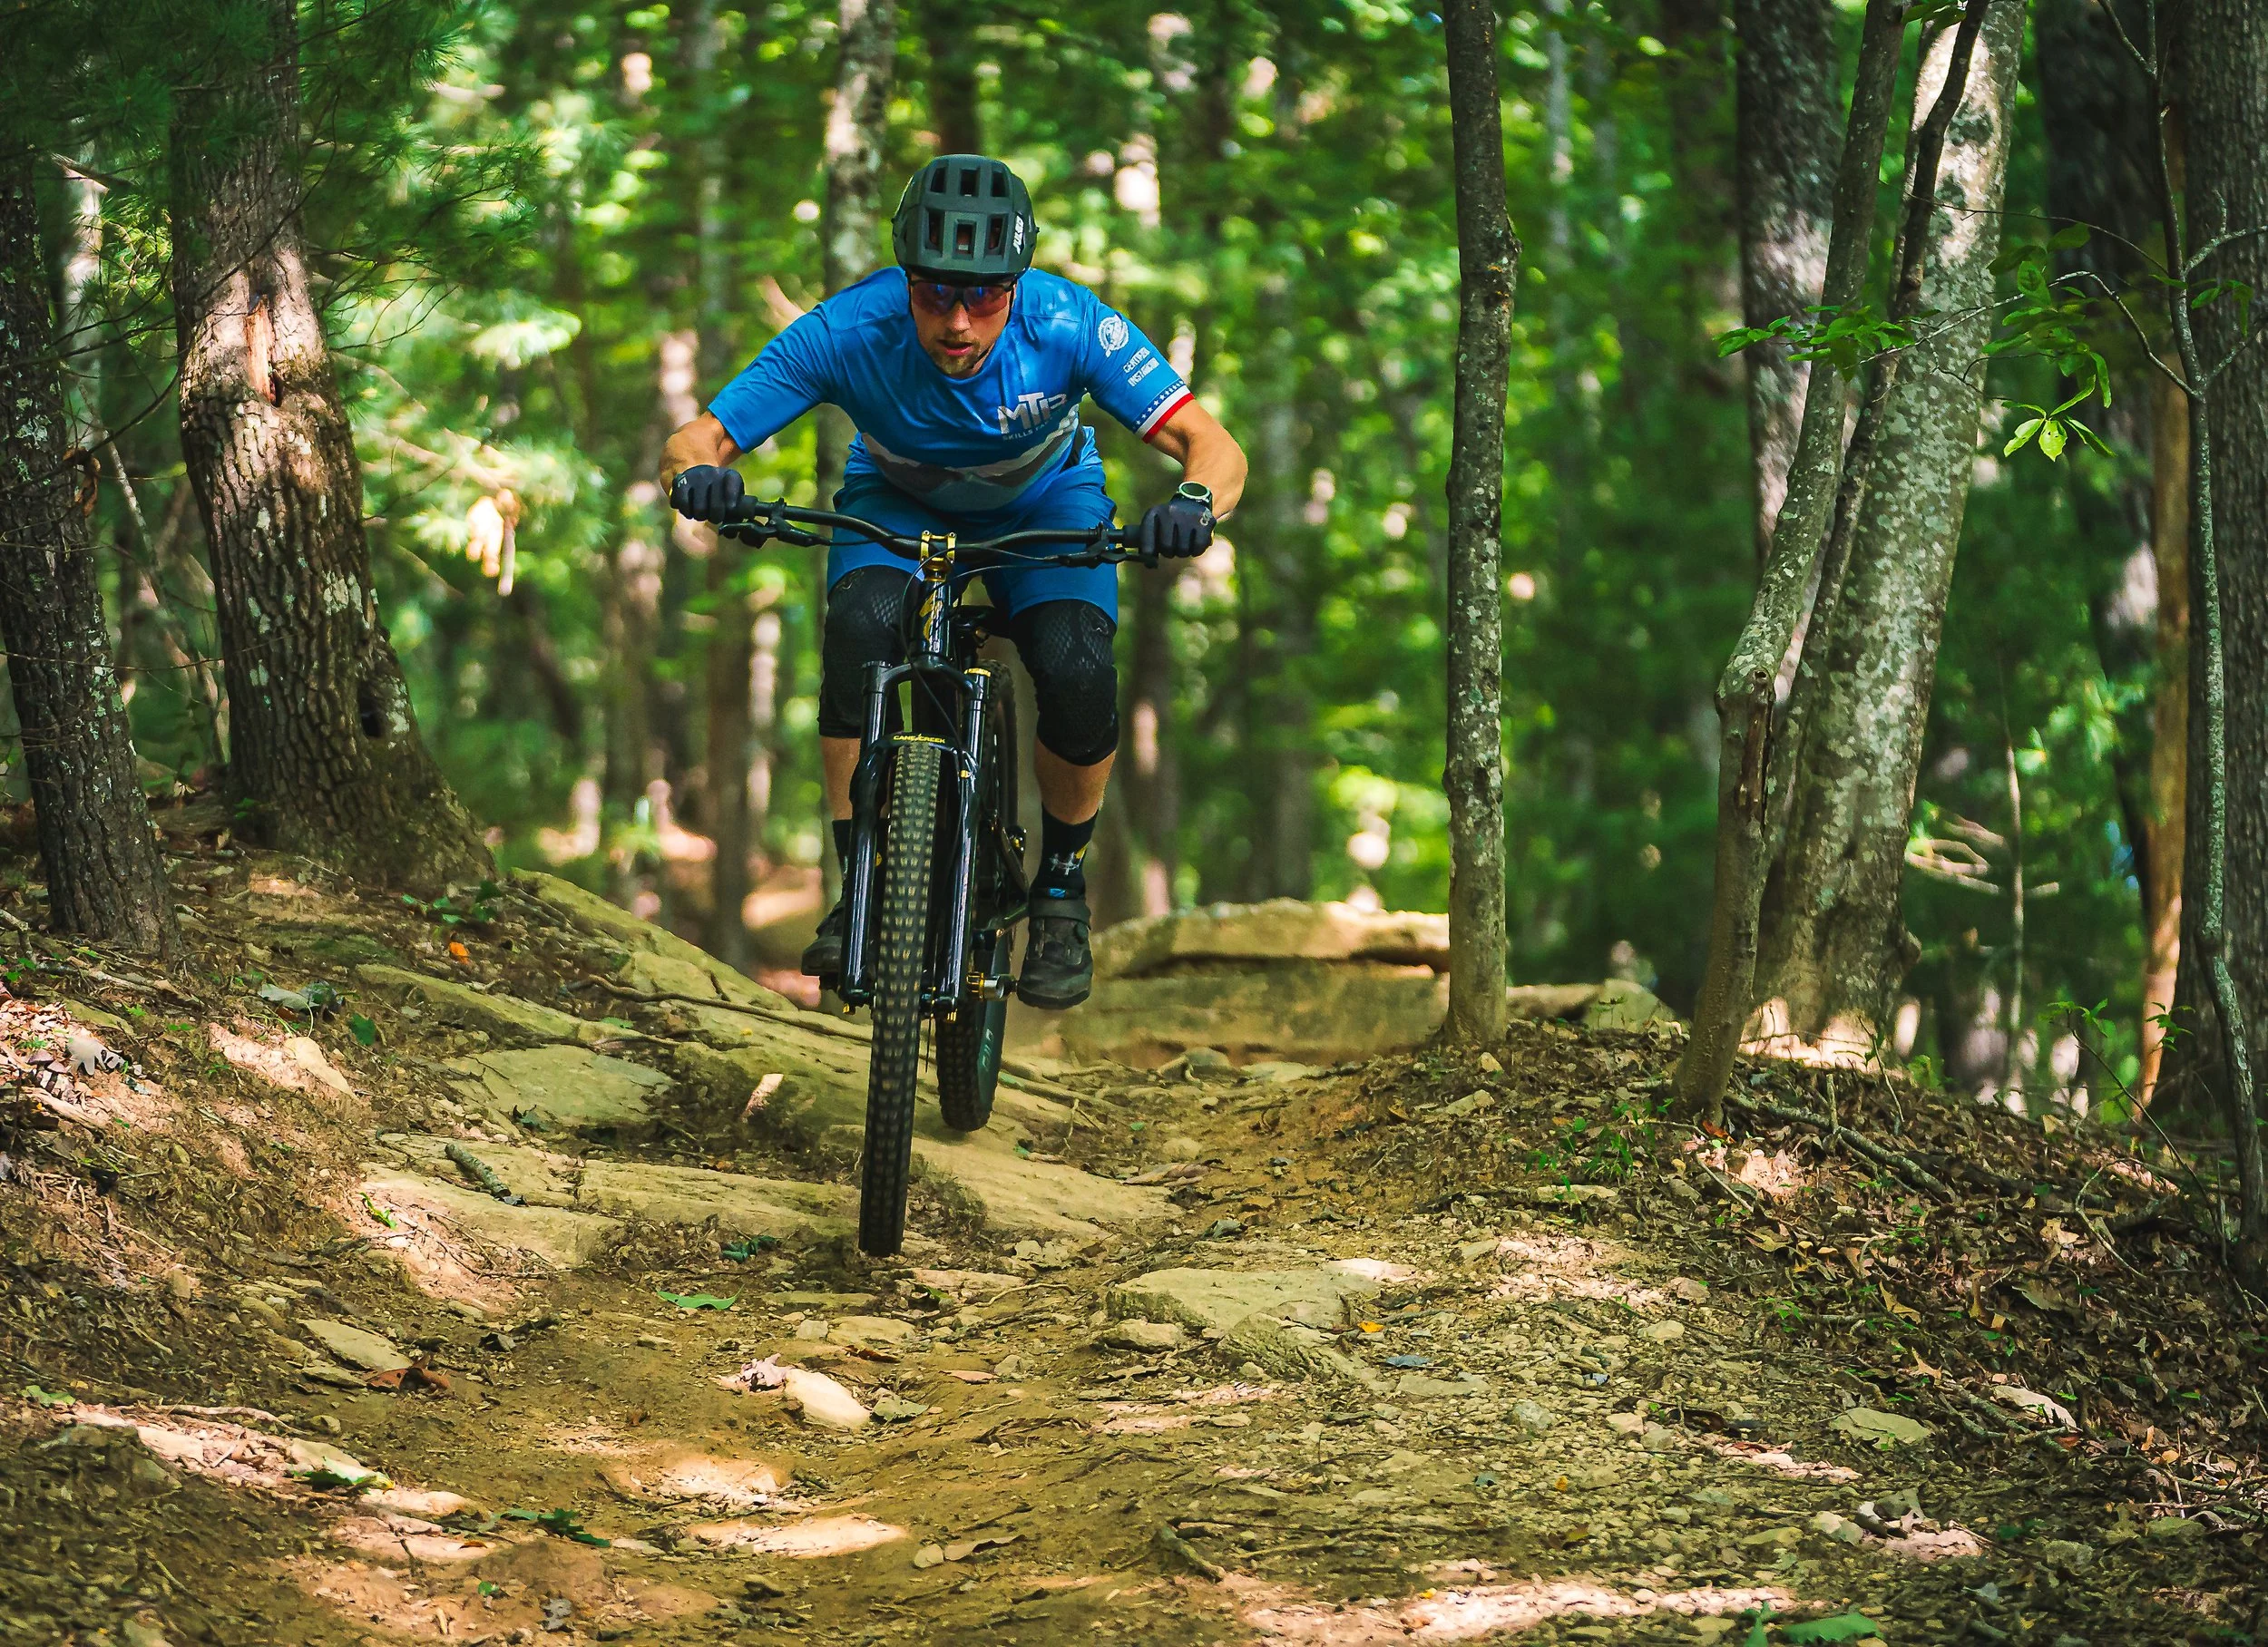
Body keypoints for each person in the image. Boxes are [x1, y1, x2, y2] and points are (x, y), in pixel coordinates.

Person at [662, 153, 1247, 1009]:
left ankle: (1058, 890)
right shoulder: (848, 330)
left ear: (1017, 283)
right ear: (905, 281)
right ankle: (858, 877)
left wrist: (1194, 502)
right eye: (936, 293)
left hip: (1046, 508)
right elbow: (698, 437)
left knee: (1077, 664)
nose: (960, 322)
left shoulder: (1070, 323)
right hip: (897, 509)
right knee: (859, 628)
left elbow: (1214, 445)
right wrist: (698, 479)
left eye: (985, 295)